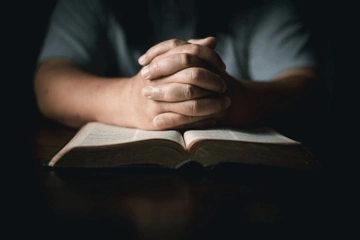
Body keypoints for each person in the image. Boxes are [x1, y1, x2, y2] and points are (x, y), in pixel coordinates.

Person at [33, 0, 319, 132]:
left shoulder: (264, 6)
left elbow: (305, 86)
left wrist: (234, 98)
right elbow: (49, 83)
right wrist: (131, 100)